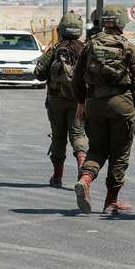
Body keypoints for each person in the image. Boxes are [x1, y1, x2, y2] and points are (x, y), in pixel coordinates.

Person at [72, 4, 135, 214]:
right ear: (122, 22)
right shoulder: (128, 47)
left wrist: (81, 101)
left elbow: (76, 77)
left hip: (95, 105)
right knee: (120, 154)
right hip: (121, 105)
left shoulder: (89, 45)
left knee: (97, 149)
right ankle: (111, 201)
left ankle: (86, 179)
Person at [34, 11, 89, 187]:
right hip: (79, 100)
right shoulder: (85, 49)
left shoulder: (55, 49)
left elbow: (39, 74)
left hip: (56, 100)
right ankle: (82, 165)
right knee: (78, 134)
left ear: (61, 29)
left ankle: (57, 177)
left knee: (58, 137)